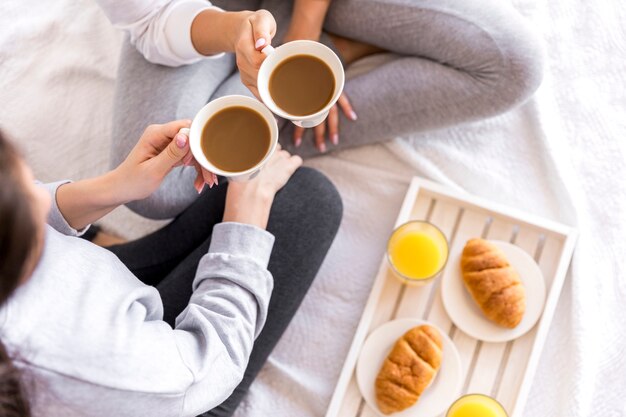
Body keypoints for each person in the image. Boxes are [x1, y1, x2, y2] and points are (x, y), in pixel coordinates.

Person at [0, 125, 342, 417]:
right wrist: (243, 226)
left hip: (108, 301)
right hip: (183, 385)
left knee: (236, 169)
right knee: (310, 201)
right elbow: (204, 371)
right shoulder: (57, 358)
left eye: (30, 181)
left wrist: (116, 185)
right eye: (30, 197)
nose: (41, 196)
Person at [100, 0, 544, 220]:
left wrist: (305, 31)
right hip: (196, 12)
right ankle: (323, 63)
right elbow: (154, 18)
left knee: (513, 63)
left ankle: (308, 65)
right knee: (154, 185)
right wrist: (235, 31)